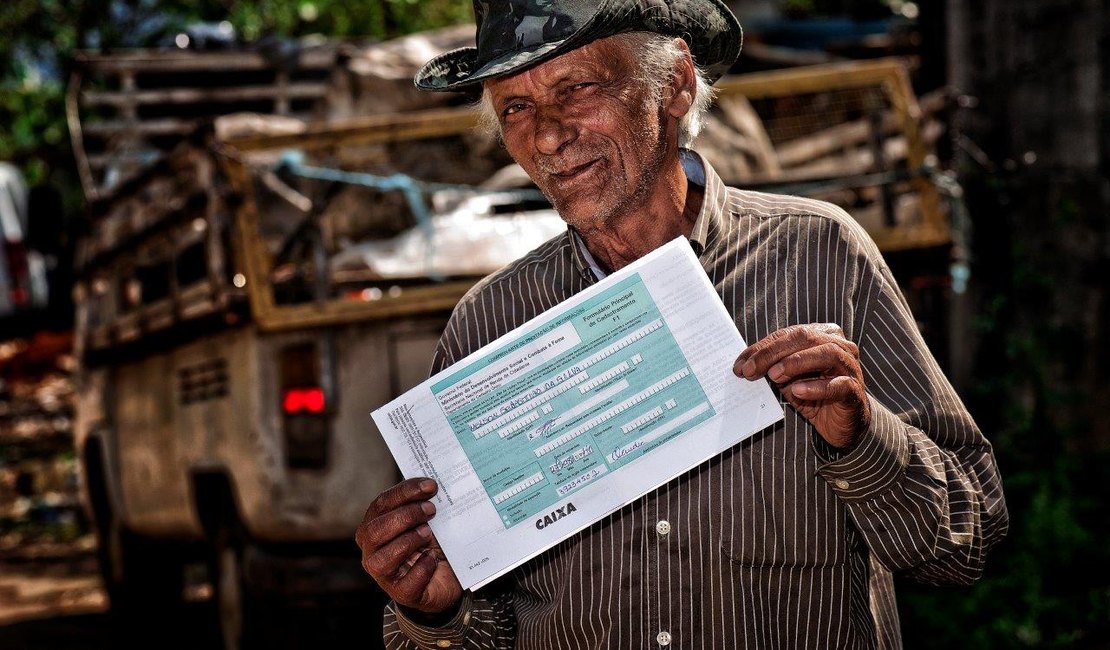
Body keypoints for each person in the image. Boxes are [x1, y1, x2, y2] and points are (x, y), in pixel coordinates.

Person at [355, 1, 1009, 647]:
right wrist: (436, 616)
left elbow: (965, 545)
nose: (548, 136)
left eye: (576, 87)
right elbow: (479, 630)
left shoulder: (818, 256)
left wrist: (863, 439)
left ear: (674, 83)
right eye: (516, 109)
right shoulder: (488, 322)